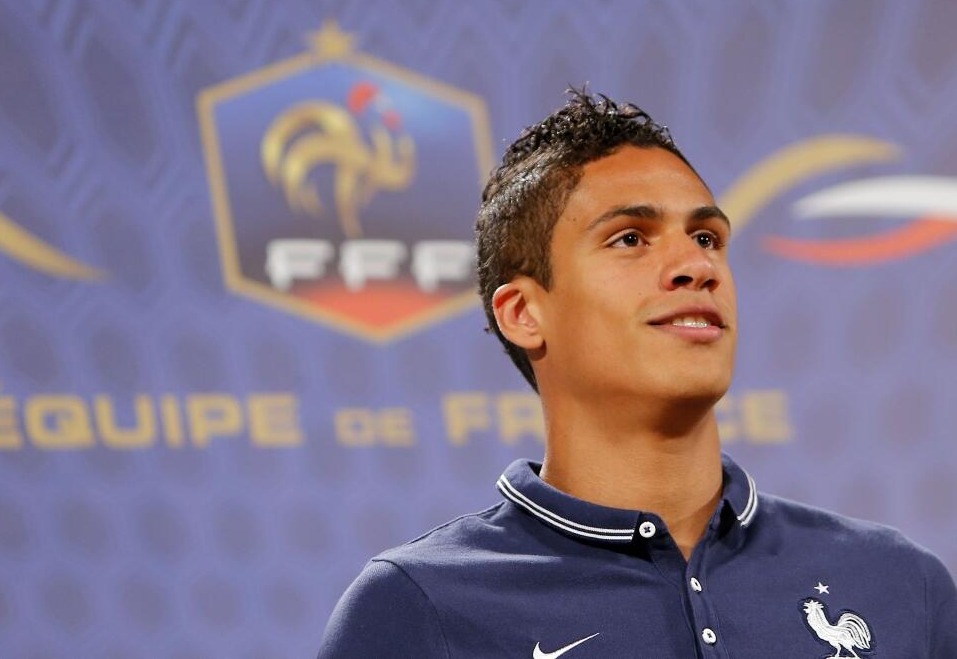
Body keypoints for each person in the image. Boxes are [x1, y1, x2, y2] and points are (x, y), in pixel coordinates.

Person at [317, 87, 957, 657]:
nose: (697, 267)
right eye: (630, 238)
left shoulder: (902, 584)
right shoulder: (418, 607)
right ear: (524, 313)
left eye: (706, 238)